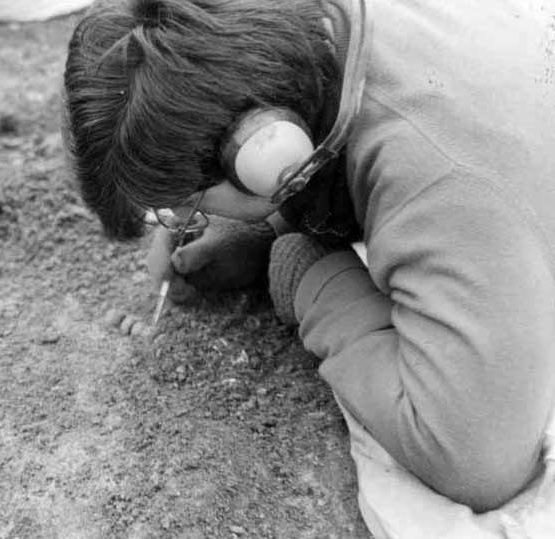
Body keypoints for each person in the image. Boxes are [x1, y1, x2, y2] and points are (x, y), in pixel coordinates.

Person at [62, 0, 555, 519]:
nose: (186, 217)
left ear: (266, 156)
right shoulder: (309, 30)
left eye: (185, 201)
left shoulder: (444, 175)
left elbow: (474, 456)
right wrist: (259, 225)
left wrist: (311, 277)